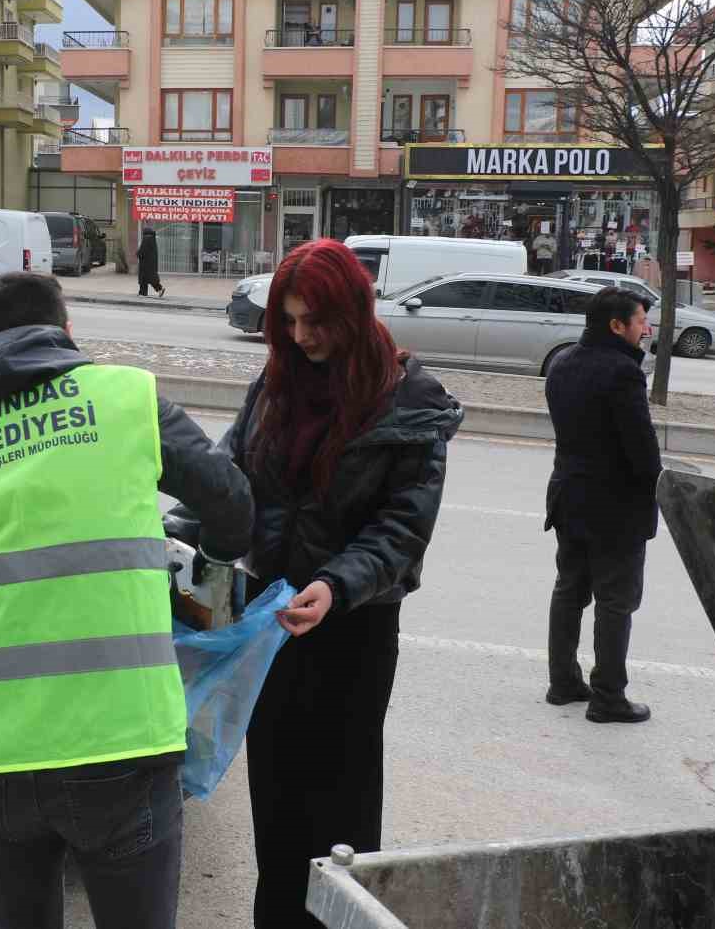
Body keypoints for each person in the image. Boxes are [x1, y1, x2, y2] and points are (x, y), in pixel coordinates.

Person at [0, 271, 252, 929]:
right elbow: (231, 502)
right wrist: (204, 578)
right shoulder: (123, 397)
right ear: (66, 333)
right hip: (117, 742)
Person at [219, 238, 462, 929]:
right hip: (270, 621)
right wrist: (186, 527)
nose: (301, 337)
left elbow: (402, 525)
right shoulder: (275, 385)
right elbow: (229, 475)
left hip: (352, 628)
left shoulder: (408, 400)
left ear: (352, 312)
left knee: (341, 812)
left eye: (314, 322)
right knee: (275, 801)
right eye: (289, 322)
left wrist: (335, 583)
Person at [543, 287, 663, 725]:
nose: (645, 329)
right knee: (616, 600)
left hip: (569, 496)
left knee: (570, 589)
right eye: (639, 321)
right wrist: (659, 485)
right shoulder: (623, 372)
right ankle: (608, 696)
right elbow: (641, 448)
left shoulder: (562, 363)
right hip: (616, 508)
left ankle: (563, 682)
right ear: (616, 326)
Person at [137, 226, 166, 298]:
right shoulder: (152, 239)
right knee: (151, 278)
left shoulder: (146, 239)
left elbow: (142, 251)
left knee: (144, 278)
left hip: (145, 263)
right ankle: (160, 289)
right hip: (151, 263)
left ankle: (143, 293)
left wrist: (137, 253)